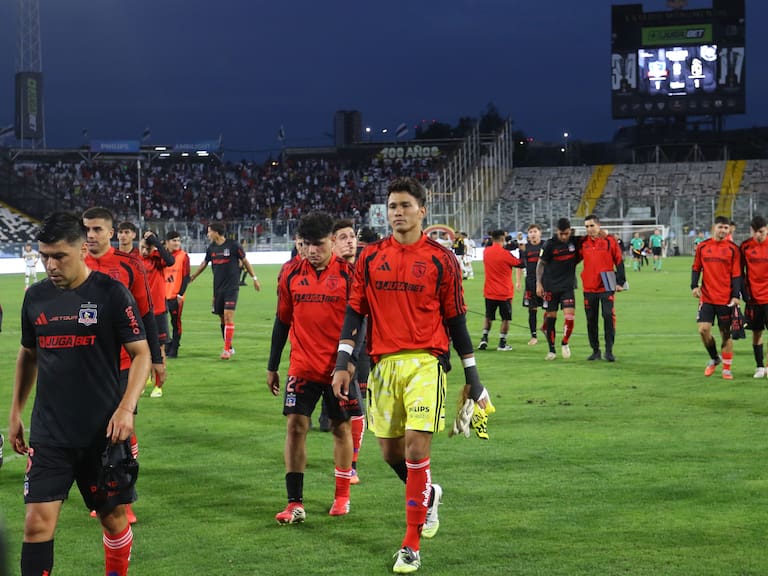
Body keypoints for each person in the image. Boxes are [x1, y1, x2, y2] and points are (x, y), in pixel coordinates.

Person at [332, 177, 492, 574]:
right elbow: (356, 311)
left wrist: (473, 377)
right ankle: (429, 495)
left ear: (423, 210)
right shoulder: (369, 259)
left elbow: (456, 320)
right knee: (390, 453)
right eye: (392, 206)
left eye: (405, 205)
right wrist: (342, 362)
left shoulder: (442, 259)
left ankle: (411, 545)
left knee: (417, 449)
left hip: (426, 361)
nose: (397, 212)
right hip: (384, 364)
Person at [7, 212, 151, 576]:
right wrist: (15, 413)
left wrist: (127, 408)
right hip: (50, 433)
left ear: (82, 249)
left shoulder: (110, 294)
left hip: (100, 433)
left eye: (59, 256)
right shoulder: (35, 298)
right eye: (44, 256)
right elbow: (29, 354)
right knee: (36, 524)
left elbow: (141, 354)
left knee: (114, 521)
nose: (50, 265)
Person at [267, 212, 361, 523]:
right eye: (306, 244)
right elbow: (282, 320)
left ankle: (342, 495)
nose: (311, 250)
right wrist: (272, 365)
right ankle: (295, 503)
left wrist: (348, 366)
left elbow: (362, 324)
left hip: (338, 369)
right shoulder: (290, 273)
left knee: (340, 428)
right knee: (295, 426)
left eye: (318, 244)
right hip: (302, 366)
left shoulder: (349, 276)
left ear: (333, 242)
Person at [82, 207, 165, 524]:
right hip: (86, 363)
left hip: (123, 362)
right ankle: (100, 494)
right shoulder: (77, 262)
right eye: (87, 229)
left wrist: (156, 359)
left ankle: (124, 499)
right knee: (91, 432)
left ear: (111, 232)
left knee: (120, 430)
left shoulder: (130, 265)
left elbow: (145, 315)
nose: (91, 235)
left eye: (97, 230)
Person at [189, 222, 261, 359]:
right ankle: (230, 346)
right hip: (218, 289)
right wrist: (193, 276)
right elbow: (205, 263)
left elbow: (245, 261)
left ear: (216, 232)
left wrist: (254, 278)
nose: (208, 234)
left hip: (232, 288)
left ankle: (226, 350)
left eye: (209, 231)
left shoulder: (233, 245)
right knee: (222, 319)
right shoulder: (211, 248)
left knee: (228, 316)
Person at [691, 215, 741, 379]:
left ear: (729, 230)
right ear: (714, 228)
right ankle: (714, 358)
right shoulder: (703, 246)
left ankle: (727, 369)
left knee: (725, 334)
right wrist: (694, 285)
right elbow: (696, 267)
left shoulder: (733, 249)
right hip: (707, 297)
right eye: (720, 227)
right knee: (703, 330)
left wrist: (735, 296)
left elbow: (737, 274)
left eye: (726, 228)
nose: (723, 231)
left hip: (725, 299)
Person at [581, 214, 626, 362]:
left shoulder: (609, 241)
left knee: (608, 315)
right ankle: (595, 350)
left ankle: (609, 350)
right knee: (591, 319)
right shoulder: (582, 243)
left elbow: (619, 260)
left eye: (592, 226)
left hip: (607, 283)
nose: (589, 229)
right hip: (588, 286)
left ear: (598, 226)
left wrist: (621, 281)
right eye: (587, 226)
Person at [536, 218, 580, 360]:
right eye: (561, 234)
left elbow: (591, 238)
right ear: (557, 231)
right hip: (550, 286)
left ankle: (565, 343)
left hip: (567, 286)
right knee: (551, 319)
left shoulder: (574, 242)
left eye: (566, 234)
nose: (563, 237)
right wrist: (538, 283)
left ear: (570, 231)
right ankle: (551, 350)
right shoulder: (549, 245)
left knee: (570, 317)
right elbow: (540, 264)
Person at [139, 230, 175, 397]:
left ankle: (158, 385)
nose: (144, 251)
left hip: (158, 310)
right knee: (141, 348)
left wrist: (157, 244)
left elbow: (170, 260)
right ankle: (144, 378)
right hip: (140, 311)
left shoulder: (157, 259)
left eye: (147, 248)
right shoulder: (136, 261)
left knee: (159, 350)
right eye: (142, 247)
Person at [478, 229, 523, 351]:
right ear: (503, 239)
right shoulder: (505, 254)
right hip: (504, 293)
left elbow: (491, 246)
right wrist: (522, 250)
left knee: (488, 316)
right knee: (505, 319)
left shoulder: (486, 252)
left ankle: (484, 339)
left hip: (490, 292)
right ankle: (502, 343)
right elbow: (520, 263)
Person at [740, 215, 768, 379]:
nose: (759, 235)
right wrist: (742, 292)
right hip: (753, 298)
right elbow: (739, 271)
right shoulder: (745, 247)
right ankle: (759, 366)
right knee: (756, 332)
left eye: (762, 232)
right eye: (756, 232)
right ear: (751, 231)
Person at [163, 230, 191, 359]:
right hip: (162, 296)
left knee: (176, 323)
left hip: (175, 296)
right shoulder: (161, 256)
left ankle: (175, 348)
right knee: (161, 323)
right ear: (167, 242)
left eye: (178, 240)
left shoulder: (183, 256)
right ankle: (167, 344)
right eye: (174, 240)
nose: (177, 243)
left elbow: (186, 276)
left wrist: (181, 293)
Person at [516, 223, 543, 345]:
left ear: (540, 233)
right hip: (530, 282)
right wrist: (518, 281)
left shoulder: (545, 246)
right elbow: (520, 266)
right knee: (532, 310)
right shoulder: (525, 248)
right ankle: (533, 336)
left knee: (550, 309)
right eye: (531, 232)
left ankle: (546, 327)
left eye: (535, 231)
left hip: (545, 282)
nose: (533, 234)